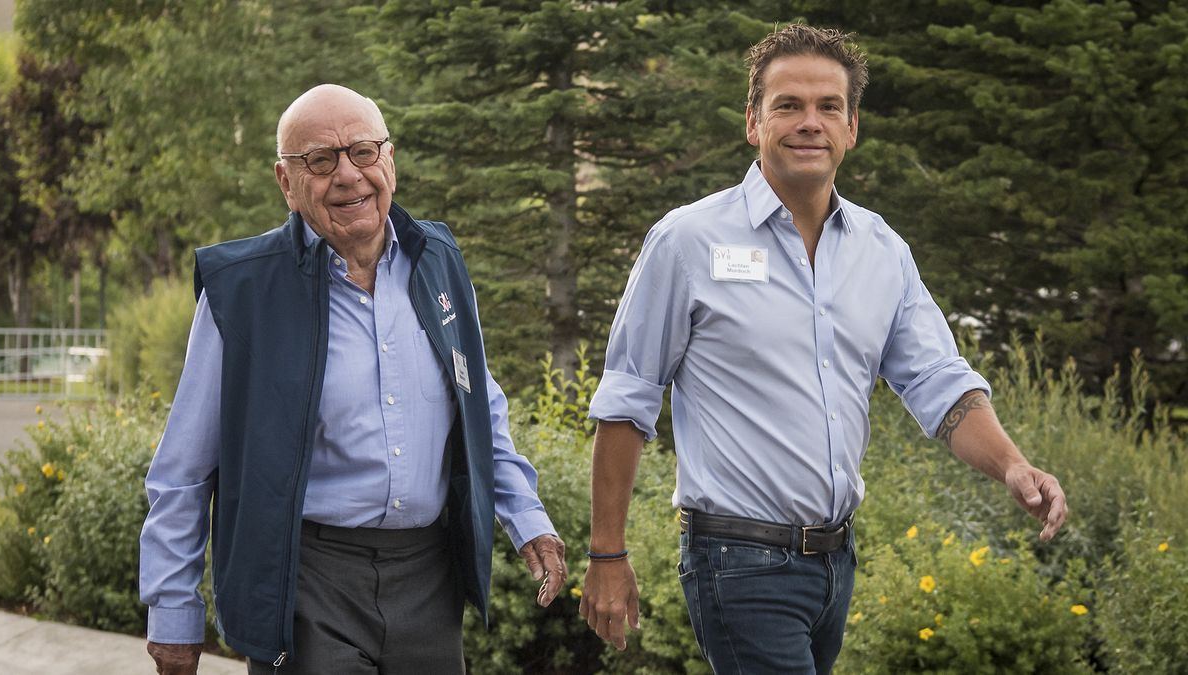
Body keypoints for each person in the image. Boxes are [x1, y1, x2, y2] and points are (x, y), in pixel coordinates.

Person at [578, 25, 1067, 674]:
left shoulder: (881, 249)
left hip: (837, 564)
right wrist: (606, 553)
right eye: (788, 105)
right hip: (738, 559)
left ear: (852, 127)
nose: (810, 122)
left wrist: (1012, 464)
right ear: (754, 123)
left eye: (827, 107)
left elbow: (938, 381)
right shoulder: (687, 241)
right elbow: (629, 395)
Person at [139, 84, 567, 675]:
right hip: (307, 581)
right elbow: (184, 470)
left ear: (389, 160)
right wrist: (173, 613)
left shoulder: (438, 262)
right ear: (285, 183)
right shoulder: (241, 293)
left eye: (364, 152)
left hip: (428, 579)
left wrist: (527, 521)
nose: (348, 176)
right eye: (319, 161)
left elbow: (479, 408)